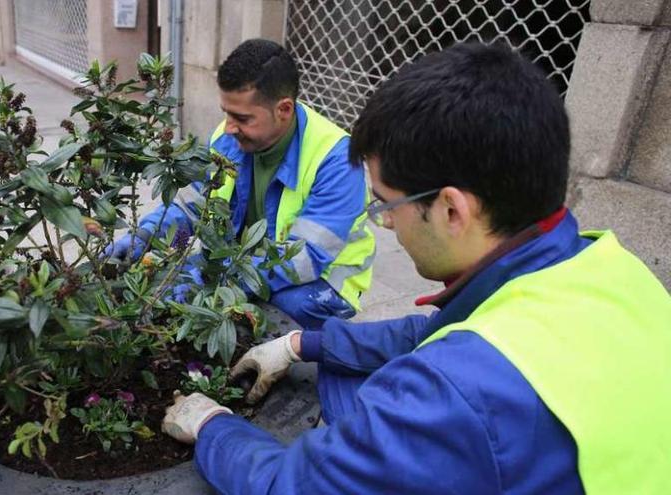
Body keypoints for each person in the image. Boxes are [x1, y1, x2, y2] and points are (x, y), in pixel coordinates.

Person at [161, 42, 671, 494]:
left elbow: (296, 484)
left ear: (452, 210)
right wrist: (301, 344)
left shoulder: (450, 396)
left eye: (385, 206)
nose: (386, 228)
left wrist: (213, 426)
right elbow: (442, 333)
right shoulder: (606, 267)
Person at [106, 39, 375, 329]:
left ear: (283, 110)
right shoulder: (227, 139)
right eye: (226, 112)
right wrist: (145, 234)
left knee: (281, 311)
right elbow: (193, 205)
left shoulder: (336, 160)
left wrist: (220, 283)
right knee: (166, 281)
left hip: (324, 281)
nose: (229, 126)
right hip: (246, 263)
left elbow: (306, 259)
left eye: (242, 117)